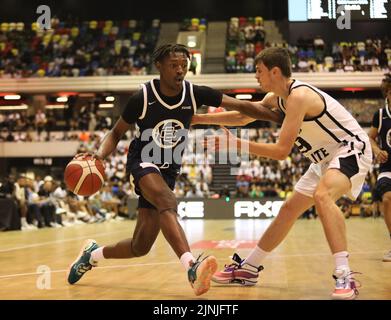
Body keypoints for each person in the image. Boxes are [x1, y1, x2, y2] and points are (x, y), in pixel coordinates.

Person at [66, 44, 282, 296]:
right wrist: (100, 156)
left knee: (140, 246)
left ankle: (92, 256)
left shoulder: (194, 93)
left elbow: (241, 106)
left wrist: (279, 117)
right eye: (174, 65)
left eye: (184, 65)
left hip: (169, 171)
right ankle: (191, 267)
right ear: (159, 66)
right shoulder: (142, 98)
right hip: (143, 161)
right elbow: (116, 132)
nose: (180, 70)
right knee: (167, 202)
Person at [191, 47, 372, 300]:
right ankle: (250, 268)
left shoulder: (299, 96)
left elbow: (280, 152)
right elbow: (244, 117)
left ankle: (345, 275)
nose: (256, 76)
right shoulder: (276, 98)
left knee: (323, 196)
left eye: (259, 71)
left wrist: (238, 145)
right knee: (288, 210)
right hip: (324, 158)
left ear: (275, 71)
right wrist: (197, 119)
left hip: (350, 148)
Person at [368, 73, 391, 262]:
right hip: (388, 168)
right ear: (387, 93)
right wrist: (376, 150)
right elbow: (370, 137)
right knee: (387, 198)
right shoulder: (381, 115)